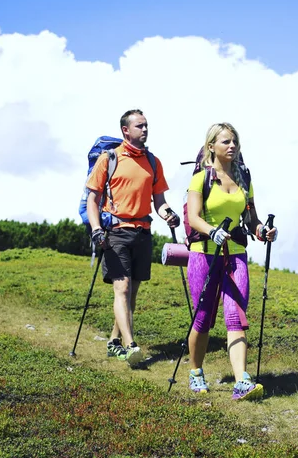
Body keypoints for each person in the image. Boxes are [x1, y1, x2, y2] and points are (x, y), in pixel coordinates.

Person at [186, 122, 278, 400]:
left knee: (235, 317)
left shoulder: (244, 178)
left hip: (235, 254)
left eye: (235, 141)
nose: (232, 146)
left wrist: (263, 231)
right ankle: (195, 372)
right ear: (211, 146)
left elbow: (251, 219)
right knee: (202, 318)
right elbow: (193, 217)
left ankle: (242, 382)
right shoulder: (201, 179)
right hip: (204, 253)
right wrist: (212, 231)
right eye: (226, 142)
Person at [86, 109, 180, 366]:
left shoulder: (152, 161)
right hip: (116, 233)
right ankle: (130, 346)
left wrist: (168, 214)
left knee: (132, 294)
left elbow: (159, 201)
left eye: (146, 125)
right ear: (125, 130)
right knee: (122, 289)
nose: (145, 130)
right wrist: (96, 229)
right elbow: (93, 199)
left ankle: (114, 342)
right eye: (140, 126)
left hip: (143, 233)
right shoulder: (109, 159)